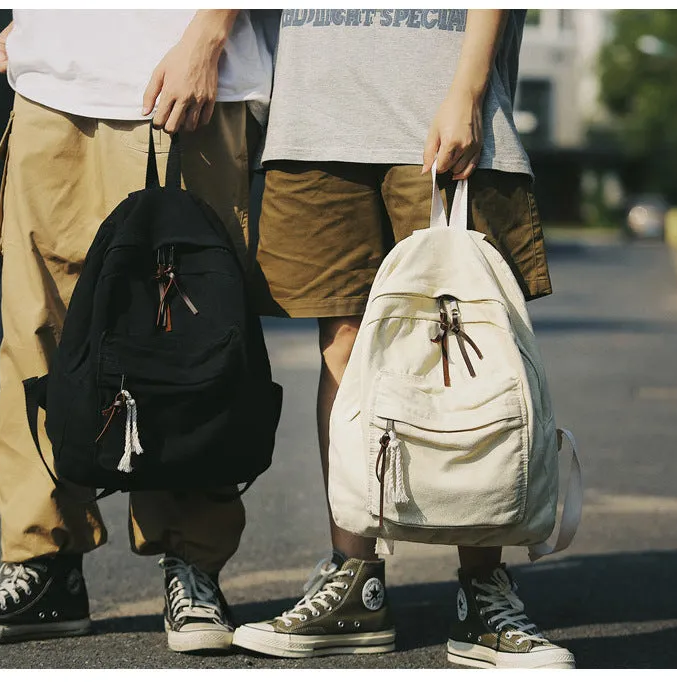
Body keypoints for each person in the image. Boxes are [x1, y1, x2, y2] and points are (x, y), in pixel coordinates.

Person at [233, 9, 574, 669]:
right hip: (312, 117)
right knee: (344, 350)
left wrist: (469, 91)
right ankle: (353, 580)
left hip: (439, 103)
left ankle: (484, 591)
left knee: (469, 349)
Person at [0, 10, 273, 653]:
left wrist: (210, 34)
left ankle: (192, 563)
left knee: (189, 333)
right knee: (36, 332)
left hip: (178, 74)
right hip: (49, 85)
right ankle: (44, 566)